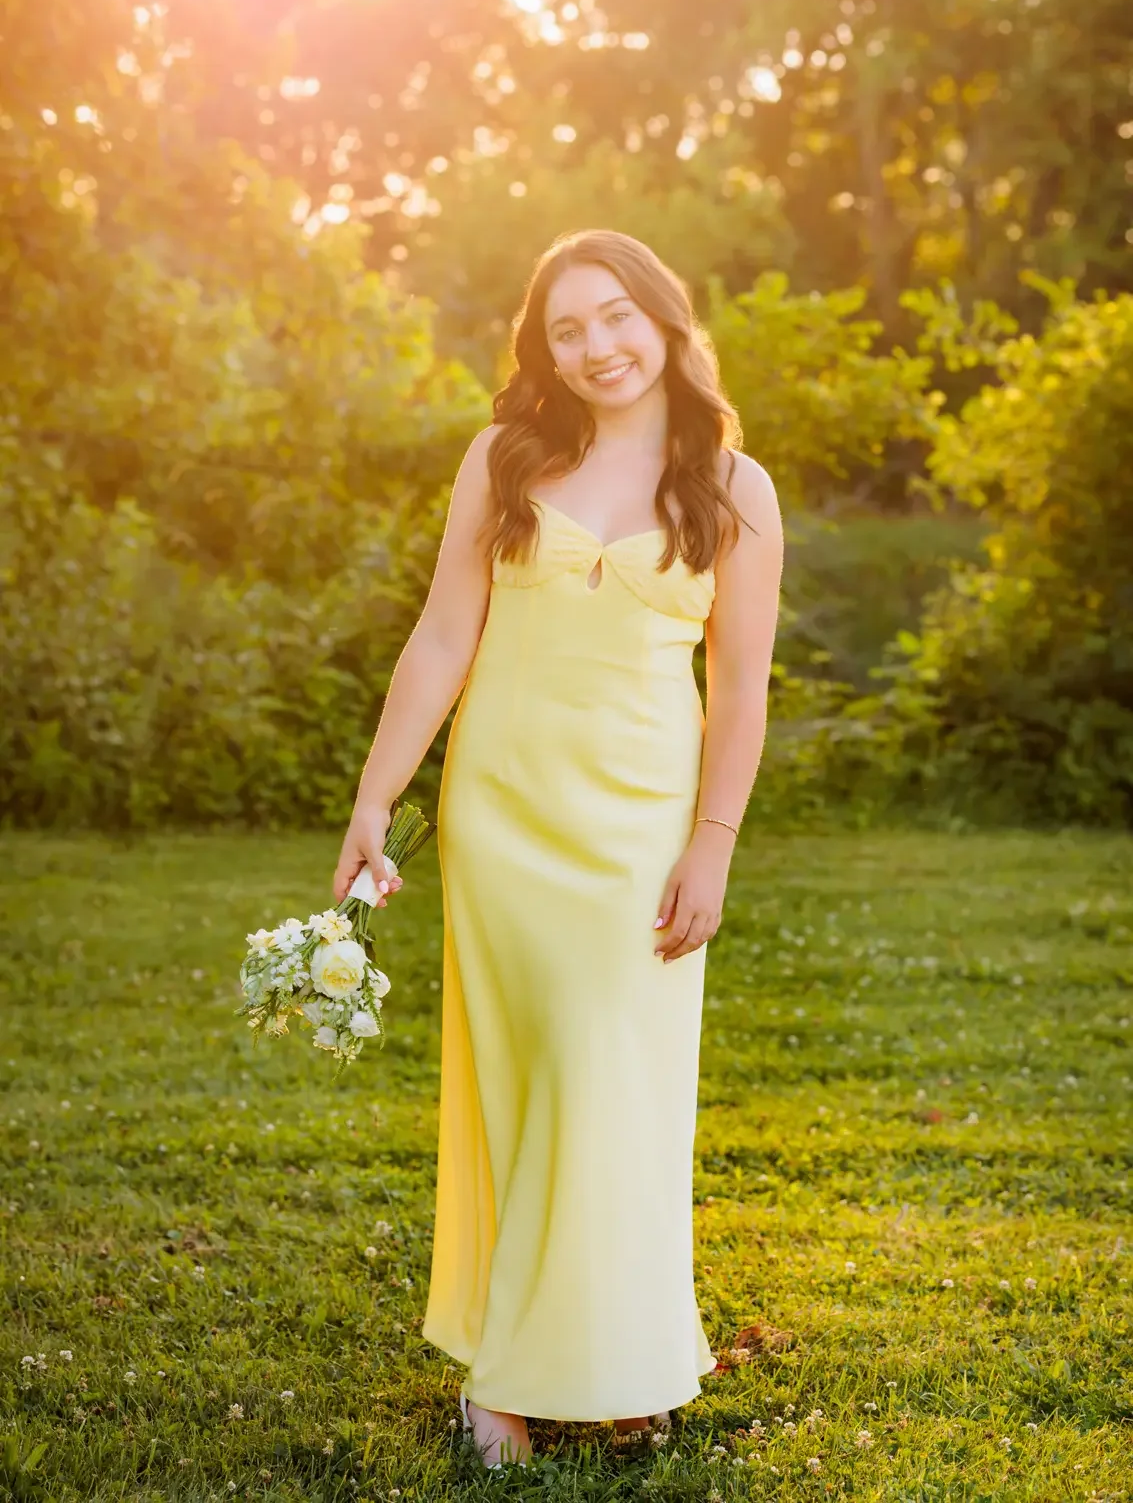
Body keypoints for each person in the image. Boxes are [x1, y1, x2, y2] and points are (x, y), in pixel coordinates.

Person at [332, 228, 783, 1468]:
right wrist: (377, 799)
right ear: (543, 348)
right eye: (566, 329)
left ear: (663, 316)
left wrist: (713, 844)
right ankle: (512, 1377)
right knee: (530, 1079)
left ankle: (615, 1357)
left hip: (641, 822)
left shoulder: (734, 488)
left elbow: (739, 692)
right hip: (505, 810)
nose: (596, 348)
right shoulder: (505, 457)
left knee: (618, 1091)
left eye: (615, 317)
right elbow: (439, 638)